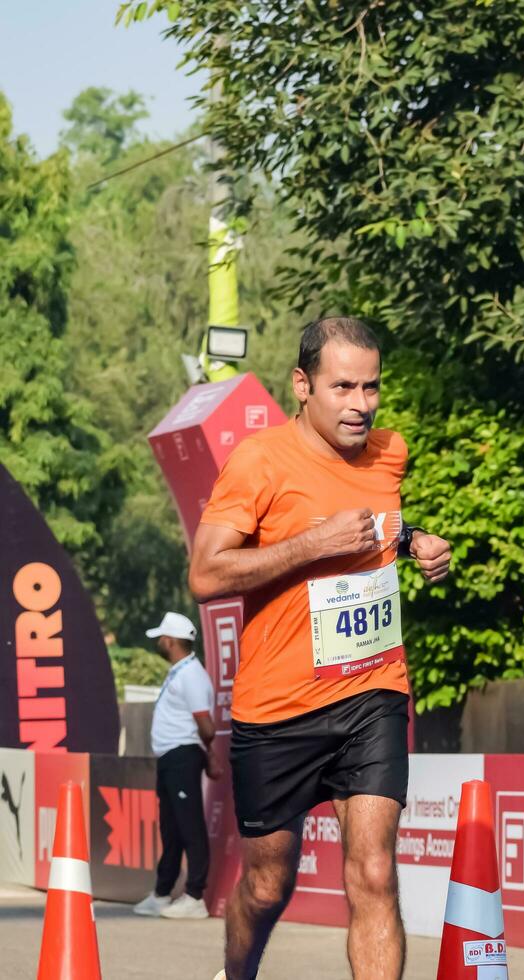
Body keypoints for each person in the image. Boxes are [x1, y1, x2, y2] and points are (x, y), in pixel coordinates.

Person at [189, 317, 452, 980]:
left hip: (372, 691)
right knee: (266, 886)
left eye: (371, 387)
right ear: (302, 385)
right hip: (276, 708)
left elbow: (376, 518)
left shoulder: (389, 450)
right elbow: (206, 573)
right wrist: (311, 545)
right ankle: (237, 973)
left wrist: (412, 538)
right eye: (343, 387)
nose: (361, 404)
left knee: (372, 871)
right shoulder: (259, 461)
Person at [133, 611, 219, 920]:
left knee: (189, 825)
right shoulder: (180, 671)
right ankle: (162, 893)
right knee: (171, 828)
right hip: (173, 757)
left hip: (183, 756)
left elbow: (206, 726)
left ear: (170, 641)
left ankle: (195, 896)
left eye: (161, 638)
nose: (159, 642)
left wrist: (208, 757)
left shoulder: (192, 674)